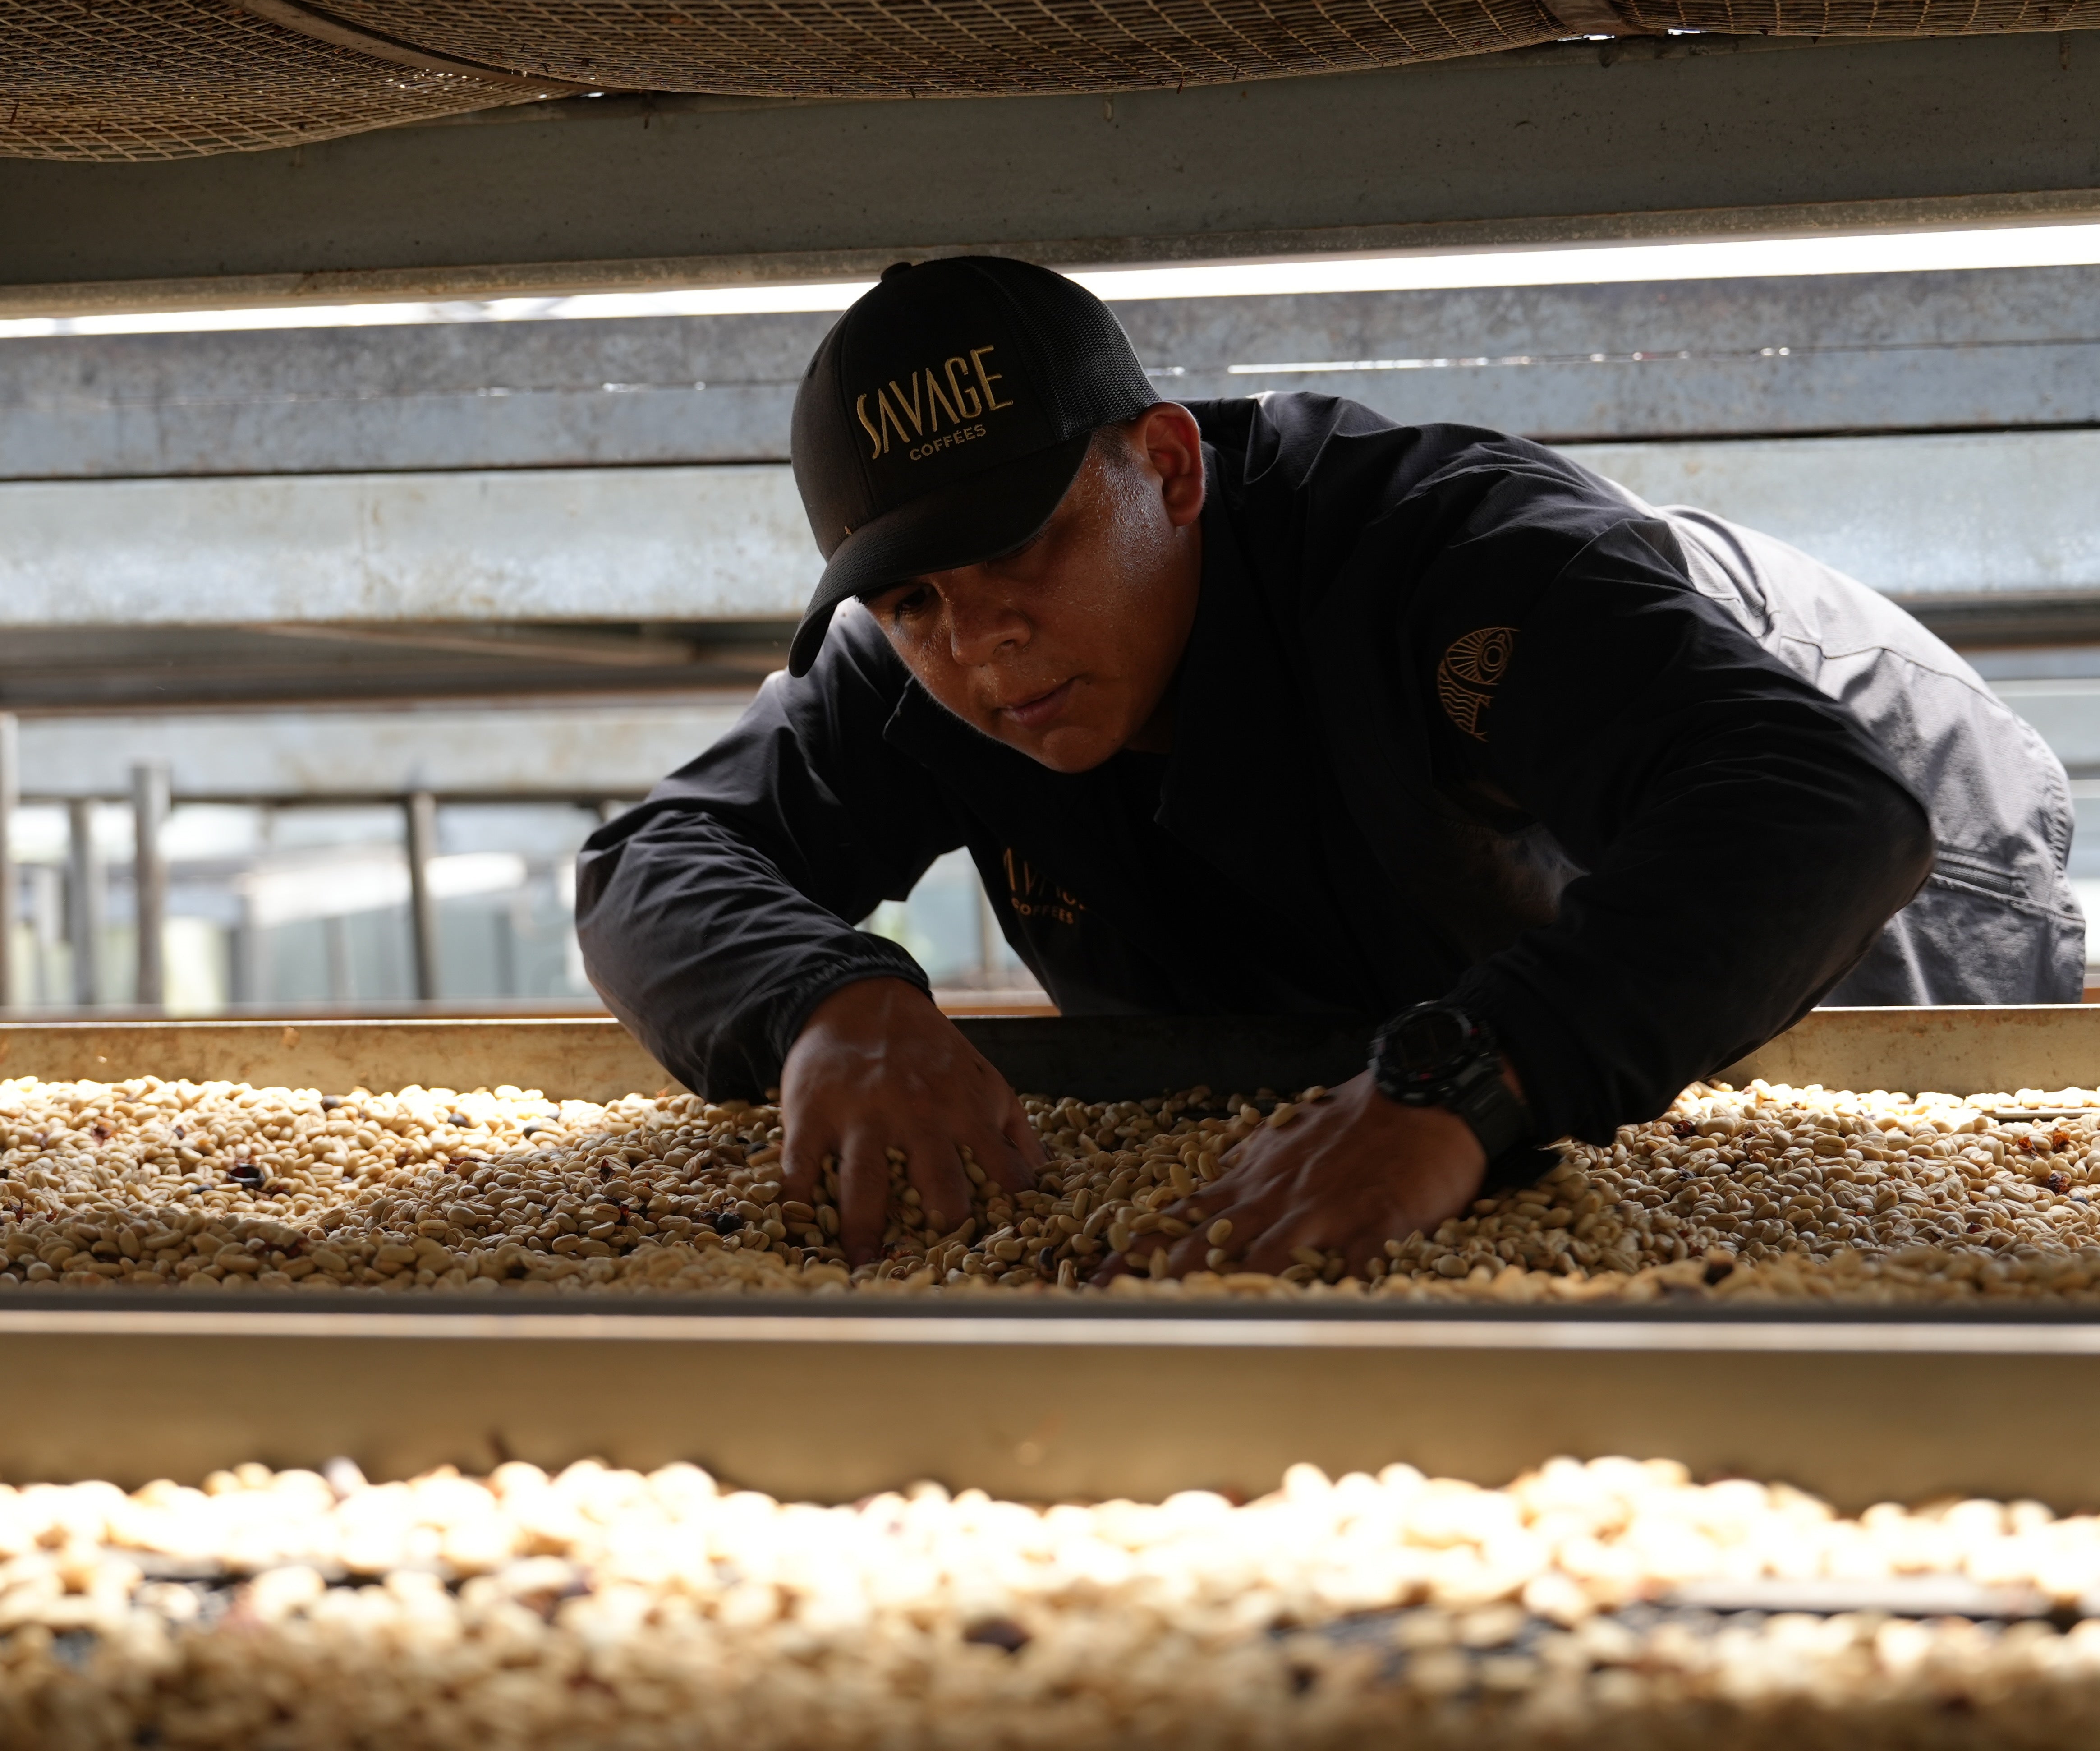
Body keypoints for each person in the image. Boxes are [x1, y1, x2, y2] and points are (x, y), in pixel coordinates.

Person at [576, 258, 2083, 1276]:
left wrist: (1467, 1074)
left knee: (1839, 1207)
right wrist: (824, 1001)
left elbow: (1809, 812)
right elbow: (652, 861)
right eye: (913, 598)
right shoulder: (923, 657)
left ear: (1165, 468)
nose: (984, 644)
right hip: (1477, 923)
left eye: (1026, 546)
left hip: (1884, 822)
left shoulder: (1437, 551)